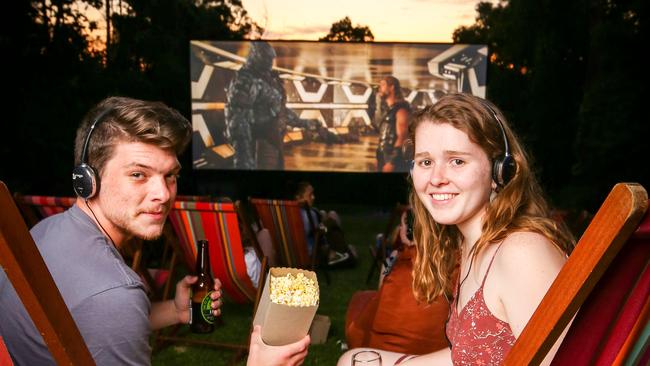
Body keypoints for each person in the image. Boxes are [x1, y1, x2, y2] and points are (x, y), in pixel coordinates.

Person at [0, 96, 310, 365]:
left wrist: (175, 312)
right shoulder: (114, 295)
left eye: (171, 175)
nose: (163, 193)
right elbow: (107, 308)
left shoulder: (43, 232)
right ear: (87, 179)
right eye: (138, 174)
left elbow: (82, 322)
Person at [338, 93, 575, 365]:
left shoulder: (522, 253)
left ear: (501, 171)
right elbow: (471, 355)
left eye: (457, 161)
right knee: (352, 359)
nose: (436, 179)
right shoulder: (472, 245)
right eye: (426, 162)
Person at [345, 208, 450, 355]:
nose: (400, 229)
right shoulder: (452, 260)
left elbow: (382, 290)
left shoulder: (395, 259)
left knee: (360, 300)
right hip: (438, 351)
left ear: (408, 230)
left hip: (385, 352)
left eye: (402, 226)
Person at [225, 41, 322, 170]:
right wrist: (244, 157)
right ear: (257, 56)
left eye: (271, 58)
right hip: (259, 146)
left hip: (274, 142)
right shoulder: (246, 80)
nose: (270, 62)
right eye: (267, 58)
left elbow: (279, 110)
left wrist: (304, 123)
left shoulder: (268, 79)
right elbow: (237, 117)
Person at [294, 181, 355, 267]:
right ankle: (345, 253)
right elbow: (315, 233)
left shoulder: (289, 214)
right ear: (298, 198)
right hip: (312, 255)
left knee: (324, 215)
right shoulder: (308, 213)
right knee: (332, 219)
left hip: (295, 254)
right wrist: (327, 225)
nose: (313, 197)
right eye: (310, 195)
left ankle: (345, 252)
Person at [376, 76, 410, 172]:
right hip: (383, 158)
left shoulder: (401, 109)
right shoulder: (389, 110)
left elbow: (402, 137)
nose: (380, 88)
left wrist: (392, 162)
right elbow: (384, 136)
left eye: (383, 84)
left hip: (393, 162)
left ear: (392, 87)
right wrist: (379, 157)